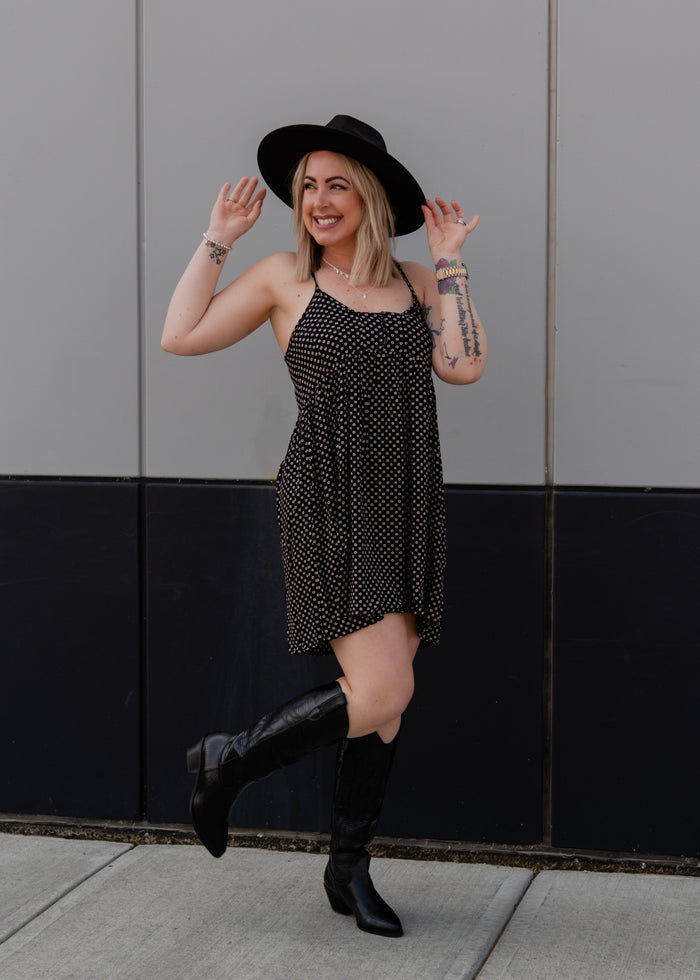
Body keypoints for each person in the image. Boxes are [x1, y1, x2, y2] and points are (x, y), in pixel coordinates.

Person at [161, 115, 487, 938]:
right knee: (383, 690)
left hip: (405, 498)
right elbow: (179, 336)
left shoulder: (416, 281)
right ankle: (229, 760)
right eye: (308, 185)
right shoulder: (285, 278)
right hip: (332, 499)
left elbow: (464, 365)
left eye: (337, 183)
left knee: (386, 707)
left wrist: (450, 261)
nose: (318, 199)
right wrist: (217, 238)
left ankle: (349, 869)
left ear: (370, 196)